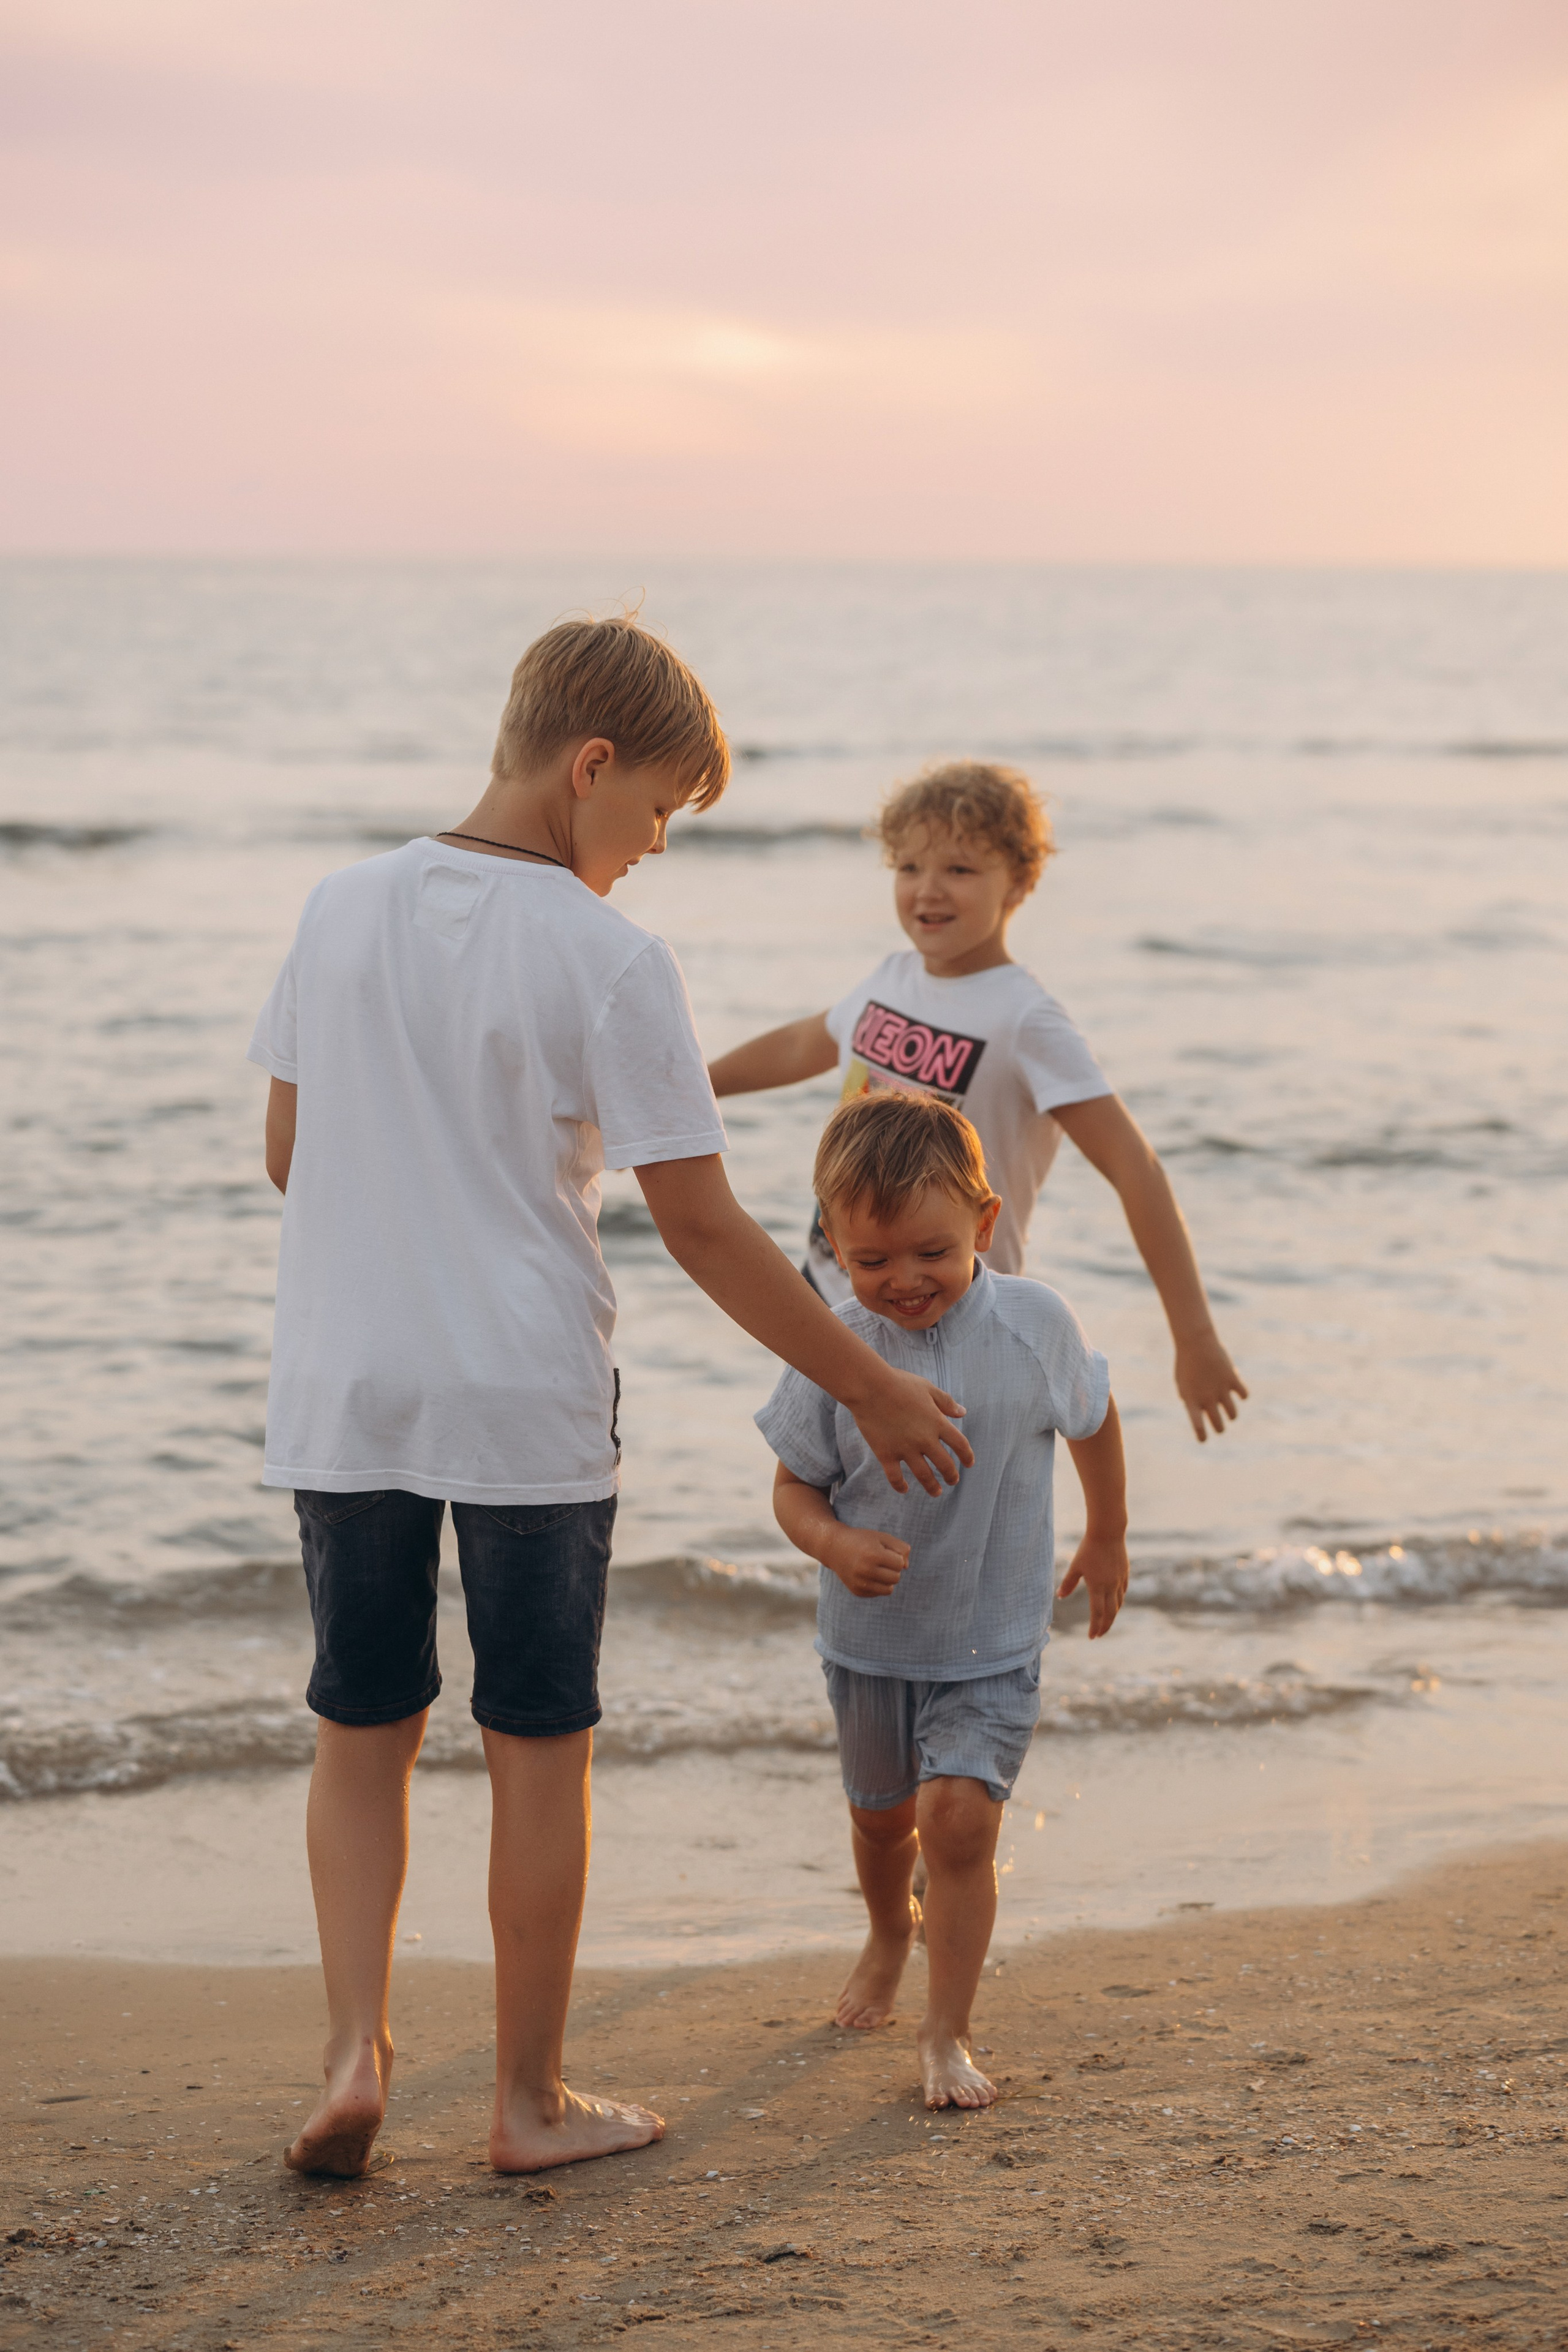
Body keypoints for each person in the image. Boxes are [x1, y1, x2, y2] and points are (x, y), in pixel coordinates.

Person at [248, 617, 973, 2180]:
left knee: (361, 1723)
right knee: (536, 1740)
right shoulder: (609, 957)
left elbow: (290, 1155)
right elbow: (700, 1225)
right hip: (524, 1398)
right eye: (655, 811)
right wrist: (869, 1386)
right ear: (590, 767)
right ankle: (525, 2102)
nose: (651, 848)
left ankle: (353, 2054)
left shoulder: (338, 904)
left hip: (346, 1388)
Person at [756, 1089, 1127, 2108]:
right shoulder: (833, 1346)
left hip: (993, 1639)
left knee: (958, 1822)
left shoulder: (1034, 1324)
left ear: (985, 1224)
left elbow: (1094, 1415)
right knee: (883, 1825)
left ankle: (946, 2033)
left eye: (932, 1252)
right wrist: (833, 1543)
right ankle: (889, 1931)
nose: (905, 1280)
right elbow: (791, 1489)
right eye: (872, 1260)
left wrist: (1107, 1533)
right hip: (870, 1644)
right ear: (832, 1243)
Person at [708, 760, 1246, 1441]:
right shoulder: (890, 979)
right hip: (839, 1304)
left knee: (942, 1494)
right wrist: (687, 1086)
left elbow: (1133, 1167)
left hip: (950, 1323)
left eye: (959, 870)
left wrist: (1194, 1337)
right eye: (909, 867)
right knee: (820, 1482)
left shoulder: (1024, 1018)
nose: (928, 890)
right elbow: (798, 1046)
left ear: (1019, 882)